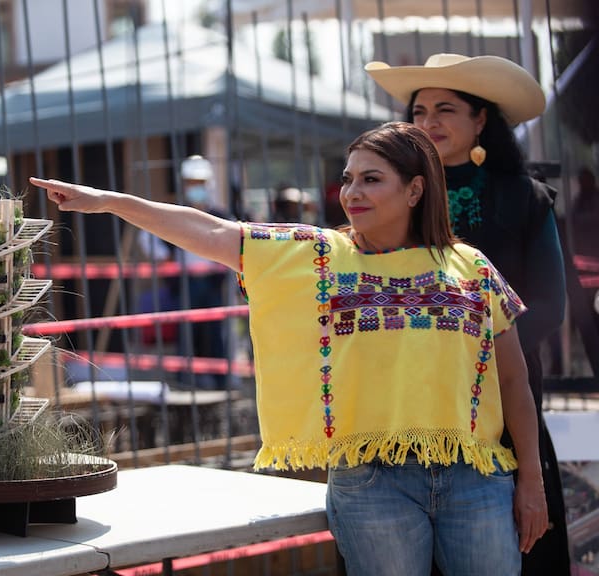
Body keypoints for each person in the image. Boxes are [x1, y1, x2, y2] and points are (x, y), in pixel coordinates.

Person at [30, 121, 548, 575]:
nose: (352, 192)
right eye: (348, 178)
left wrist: (532, 481)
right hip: (372, 484)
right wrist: (109, 202)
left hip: (477, 478)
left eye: (371, 179)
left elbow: (513, 381)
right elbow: (210, 230)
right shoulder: (317, 256)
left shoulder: (472, 268)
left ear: (415, 190)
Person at [365, 53, 570, 574]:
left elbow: (550, 305)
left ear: (481, 120)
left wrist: (475, 360)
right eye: (418, 111)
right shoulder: (388, 197)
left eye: (445, 109)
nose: (428, 121)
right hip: (406, 401)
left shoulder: (526, 198)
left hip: (504, 394)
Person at [137, 155, 232, 389]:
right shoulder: (176, 213)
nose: (196, 187)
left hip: (212, 281)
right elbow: (146, 237)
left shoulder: (219, 215)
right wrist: (164, 256)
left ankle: (220, 381)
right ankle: (184, 380)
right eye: (191, 182)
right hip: (186, 282)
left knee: (214, 332)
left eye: (200, 182)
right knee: (187, 331)